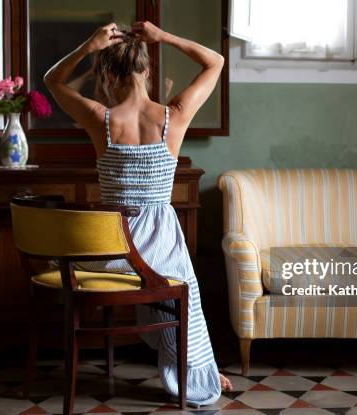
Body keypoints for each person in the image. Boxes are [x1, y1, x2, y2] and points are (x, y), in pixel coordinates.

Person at [43, 21, 231, 406]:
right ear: (147, 72)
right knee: (186, 285)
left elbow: (52, 80)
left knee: (176, 276)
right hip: (157, 251)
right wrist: (164, 36)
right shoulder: (174, 116)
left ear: (108, 75)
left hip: (108, 254)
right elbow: (216, 62)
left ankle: (192, 361)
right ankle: (195, 370)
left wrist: (88, 45)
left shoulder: (101, 119)